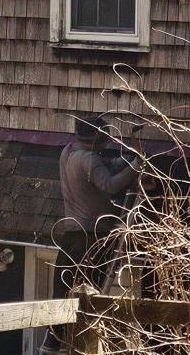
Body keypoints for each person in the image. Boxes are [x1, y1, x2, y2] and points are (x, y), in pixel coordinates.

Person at [56, 114, 138, 294]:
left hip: (71, 234)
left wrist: (119, 162)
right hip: (92, 235)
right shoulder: (88, 158)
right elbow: (109, 185)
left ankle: (59, 323)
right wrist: (134, 167)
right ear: (97, 136)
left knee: (65, 289)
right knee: (90, 290)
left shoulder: (68, 151)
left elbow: (97, 168)